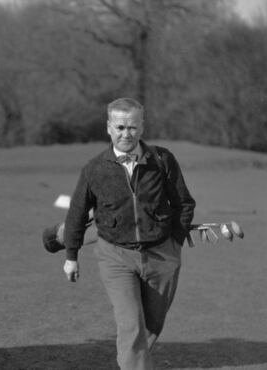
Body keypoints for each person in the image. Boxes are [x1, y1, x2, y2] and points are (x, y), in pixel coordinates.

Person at [62, 97, 196, 370]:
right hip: (116, 256)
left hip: (161, 255)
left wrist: (175, 243)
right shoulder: (94, 169)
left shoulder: (162, 160)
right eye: (120, 127)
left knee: (152, 324)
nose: (126, 134)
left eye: (132, 127)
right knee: (131, 323)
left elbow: (184, 204)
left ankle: (133, 360)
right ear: (109, 127)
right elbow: (76, 213)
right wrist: (71, 255)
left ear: (142, 127)